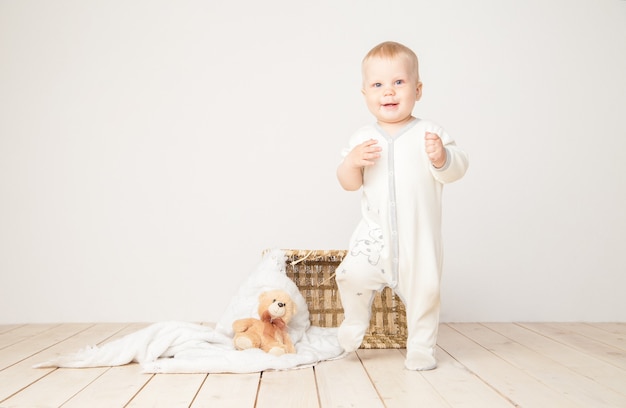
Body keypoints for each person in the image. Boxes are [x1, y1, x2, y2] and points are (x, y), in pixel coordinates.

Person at [335, 41, 469, 370]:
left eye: (399, 82)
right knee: (350, 275)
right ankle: (354, 321)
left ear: (418, 89)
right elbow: (348, 183)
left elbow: (457, 170)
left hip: (418, 240)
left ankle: (421, 348)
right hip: (374, 237)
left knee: (425, 292)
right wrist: (352, 163)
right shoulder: (362, 139)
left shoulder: (429, 132)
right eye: (378, 85)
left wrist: (443, 157)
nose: (389, 92)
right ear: (365, 93)